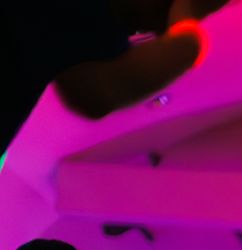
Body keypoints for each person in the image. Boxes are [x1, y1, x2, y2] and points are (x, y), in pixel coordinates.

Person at [0, 0, 228, 156]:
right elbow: (95, 94)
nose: (161, 29)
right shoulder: (96, 24)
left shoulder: (105, 35)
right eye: (164, 9)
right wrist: (188, 39)